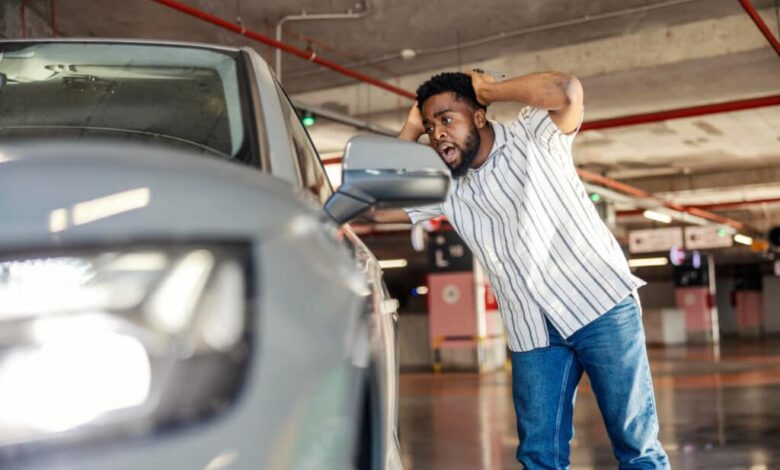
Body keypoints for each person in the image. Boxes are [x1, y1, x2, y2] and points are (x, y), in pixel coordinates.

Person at [392, 71, 670, 469]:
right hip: (532, 330)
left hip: (601, 306)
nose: (437, 133)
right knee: (539, 457)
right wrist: (410, 126)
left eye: (446, 119)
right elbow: (376, 190)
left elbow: (567, 91)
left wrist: (486, 90)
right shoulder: (444, 187)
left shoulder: (533, 135)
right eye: (431, 126)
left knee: (636, 447)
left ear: (480, 118)